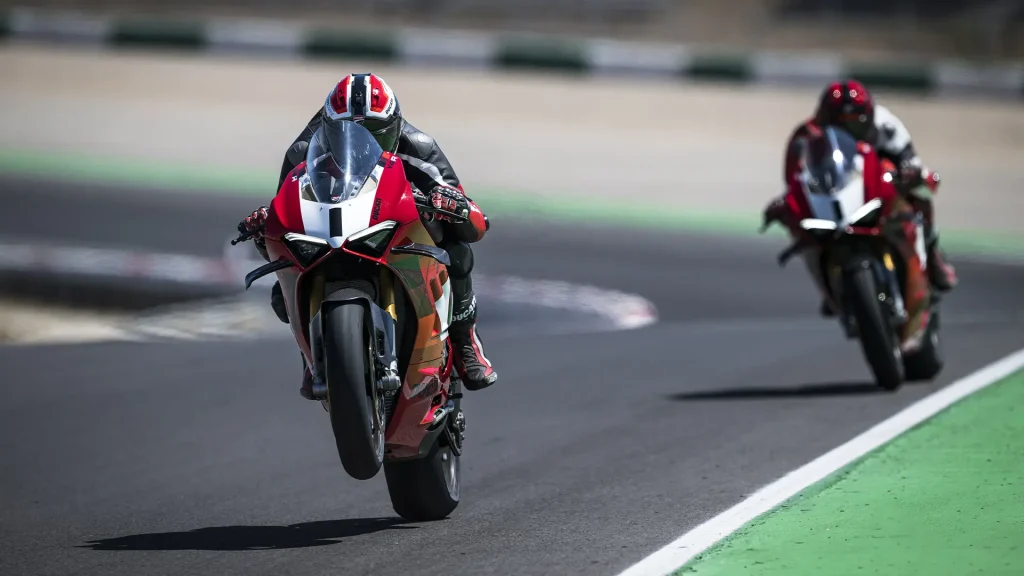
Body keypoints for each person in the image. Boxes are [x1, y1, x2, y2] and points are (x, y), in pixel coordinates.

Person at [239, 73, 498, 398]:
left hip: (396, 228)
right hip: (331, 234)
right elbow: (284, 221)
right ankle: (312, 356)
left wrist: (453, 204)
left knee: (457, 251)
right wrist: (265, 228)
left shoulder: (419, 147)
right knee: (281, 290)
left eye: (376, 134)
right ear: (329, 127)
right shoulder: (302, 152)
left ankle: (464, 340)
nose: (361, 145)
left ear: (395, 127)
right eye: (347, 132)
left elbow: (476, 225)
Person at [762, 79, 957, 315]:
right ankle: (828, 289)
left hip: (879, 184)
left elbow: (909, 159)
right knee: (801, 229)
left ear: (869, 116)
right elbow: (796, 182)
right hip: (836, 195)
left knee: (920, 191)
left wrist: (910, 172)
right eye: (838, 125)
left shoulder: (886, 125)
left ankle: (932, 256)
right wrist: (787, 203)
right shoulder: (804, 139)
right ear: (823, 120)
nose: (847, 132)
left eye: (855, 124)